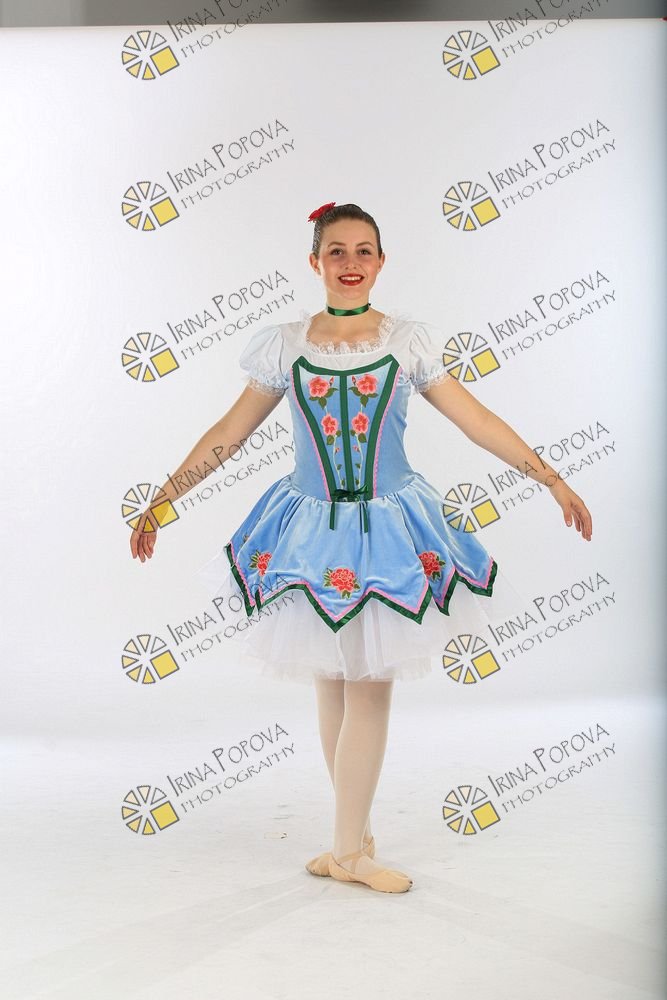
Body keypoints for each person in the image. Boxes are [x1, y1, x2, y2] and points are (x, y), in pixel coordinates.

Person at [130, 201, 593, 894]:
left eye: (363, 251)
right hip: (310, 528)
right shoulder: (284, 345)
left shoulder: (407, 342)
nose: (351, 263)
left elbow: (475, 419)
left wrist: (549, 477)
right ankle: (351, 847)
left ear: (381, 261)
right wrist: (165, 497)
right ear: (314, 261)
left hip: (390, 530)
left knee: (367, 686)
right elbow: (230, 433)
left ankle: (348, 846)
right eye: (337, 251)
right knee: (334, 684)